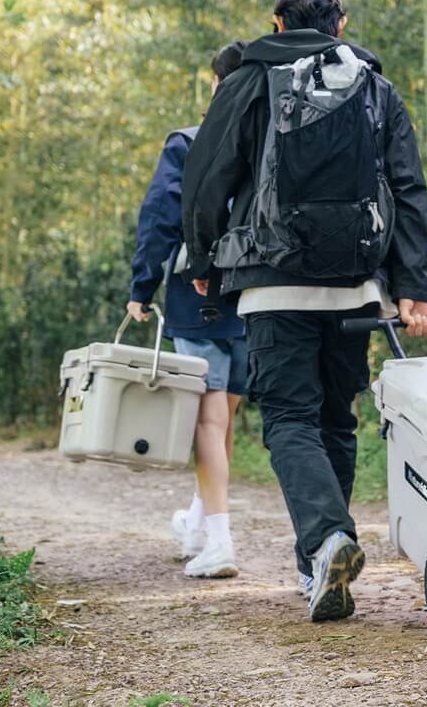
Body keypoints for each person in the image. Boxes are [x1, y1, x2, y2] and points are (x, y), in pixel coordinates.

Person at [181, 0, 427, 621]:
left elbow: (209, 176)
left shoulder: (247, 81)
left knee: (290, 419)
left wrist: (202, 259)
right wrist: (412, 288)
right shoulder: (375, 87)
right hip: (356, 286)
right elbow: (407, 187)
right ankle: (316, 562)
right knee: (335, 420)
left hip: (272, 281)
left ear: (277, 21)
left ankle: (325, 542)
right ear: (341, 25)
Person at [128, 40, 247, 578]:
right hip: (257, 297)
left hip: (196, 296)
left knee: (208, 418)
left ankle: (219, 539)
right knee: (223, 421)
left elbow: (159, 217)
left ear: (216, 84)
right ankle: (198, 523)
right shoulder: (269, 146)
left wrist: (141, 287)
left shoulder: (189, 142)